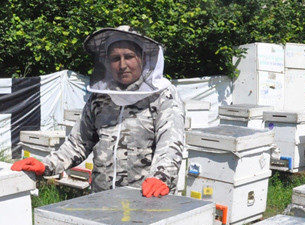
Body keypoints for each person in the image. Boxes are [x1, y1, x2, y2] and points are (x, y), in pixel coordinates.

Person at [11, 26, 185, 198]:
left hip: (147, 197)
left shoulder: (163, 96)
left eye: (129, 56)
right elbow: (78, 143)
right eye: (115, 58)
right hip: (102, 198)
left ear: (143, 58)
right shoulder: (101, 98)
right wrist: (46, 165)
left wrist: (161, 177)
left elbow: (170, 144)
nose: (122, 64)